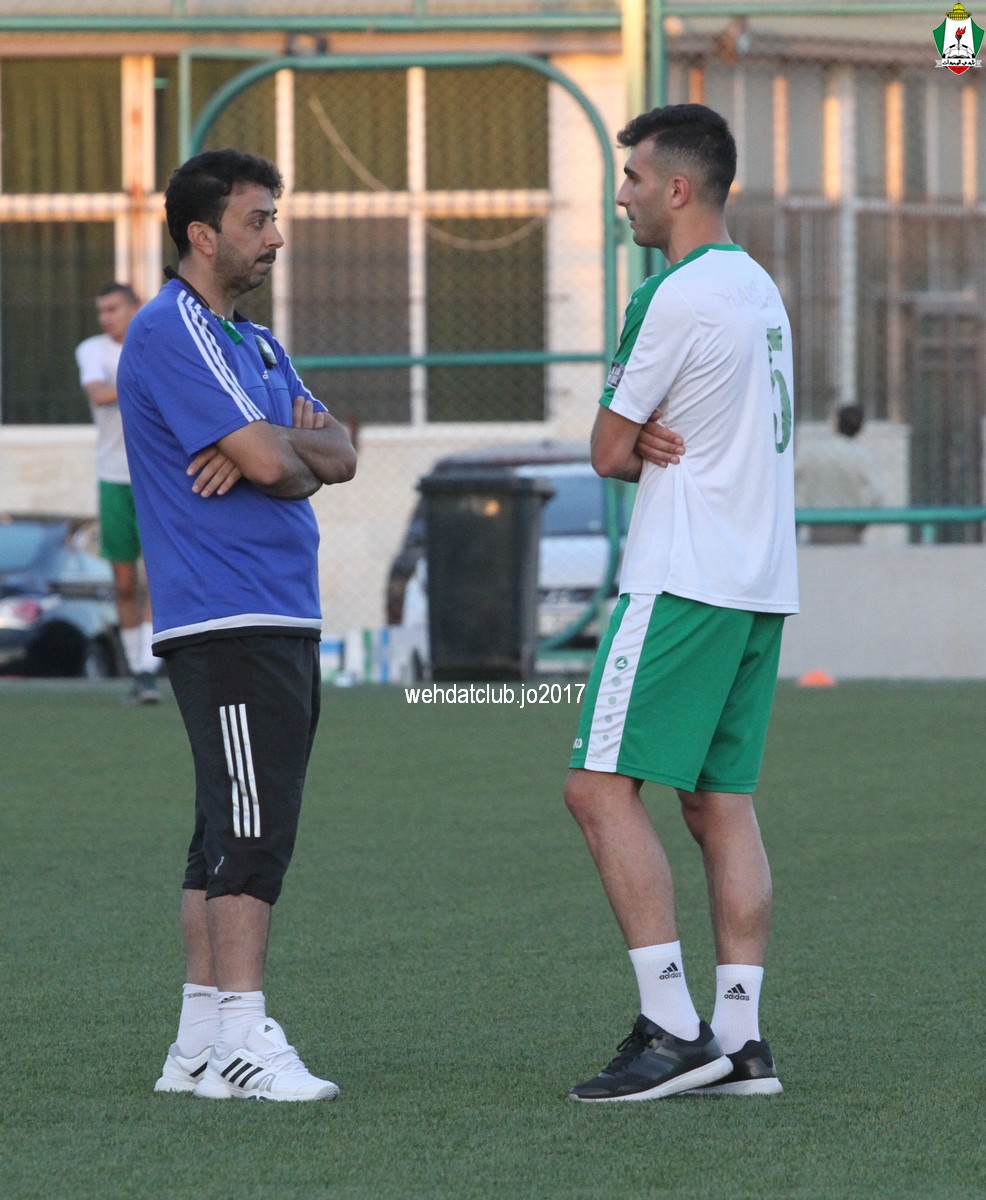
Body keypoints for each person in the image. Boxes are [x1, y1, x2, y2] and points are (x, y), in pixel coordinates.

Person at [564, 104, 798, 1102]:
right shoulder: (758, 287)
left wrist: (638, 439)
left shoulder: (671, 294)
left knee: (596, 789)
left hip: (684, 576)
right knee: (718, 802)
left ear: (676, 188)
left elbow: (607, 450)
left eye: (631, 178)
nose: (619, 195)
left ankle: (670, 1030)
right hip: (760, 582)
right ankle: (739, 1041)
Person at [117, 149, 357, 1102]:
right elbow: (276, 467)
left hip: (275, 610)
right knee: (252, 834)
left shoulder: (254, 343)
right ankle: (246, 1038)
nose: (276, 237)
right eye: (258, 220)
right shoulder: (171, 328)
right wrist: (277, 452)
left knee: (224, 830)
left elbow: (339, 453)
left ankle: (198, 1042)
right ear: (201, 234)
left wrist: (276, 447)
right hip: (228, 613)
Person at [75, 283, 161, 703]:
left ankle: (149, 668)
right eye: (101, 311)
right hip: (112, 477)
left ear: (134, 308)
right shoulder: (92, 350)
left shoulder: (155, 344)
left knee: (159, 578)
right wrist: (149, 381)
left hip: (156, 478)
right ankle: (135, 668)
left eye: (113, 309)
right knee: (124, 584)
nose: (105, 318)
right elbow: (99, 394)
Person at [795, 404, 884, 544]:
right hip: (850, 532)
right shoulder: (863, 456)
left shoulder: (812, 452)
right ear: (860, 428)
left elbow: (790, 479)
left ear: (836, 424)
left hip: (816, 529)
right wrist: (862, 520)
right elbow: (877, 492)